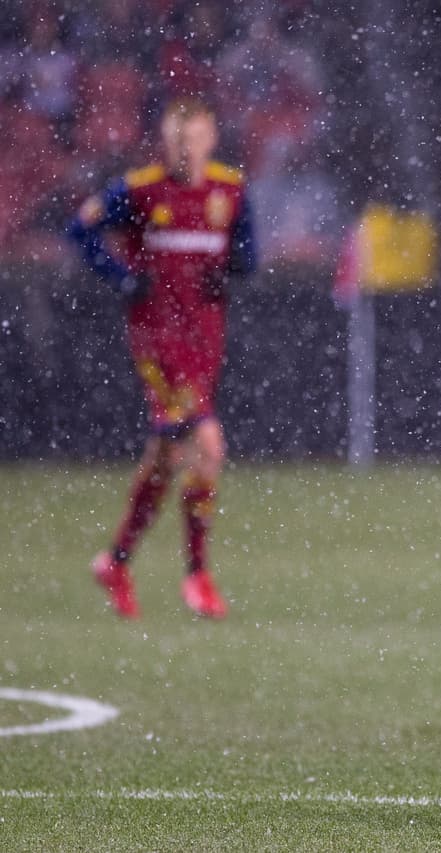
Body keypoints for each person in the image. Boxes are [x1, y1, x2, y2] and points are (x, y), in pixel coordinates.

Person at [67, 97, 256, 620]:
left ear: (210, 137)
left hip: (204, 339)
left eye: (193, 138)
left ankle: (116, 559)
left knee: (168, 457)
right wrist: (124, 279)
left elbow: (249, 252)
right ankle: (197, 574)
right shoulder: (140, 189)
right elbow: (80, 230)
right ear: (165, 141)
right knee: (208, 443)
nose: (185, 149)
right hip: (157, 338)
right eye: (177, 139)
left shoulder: (231, 190)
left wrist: (233, 268)